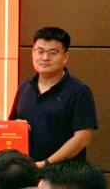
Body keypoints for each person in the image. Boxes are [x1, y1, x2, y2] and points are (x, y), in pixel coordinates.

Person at [9, 26, 97, 168]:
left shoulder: (79, 91)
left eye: (52, 53)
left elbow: (82, 138)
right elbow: (12, 123)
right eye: (40, 52)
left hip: (63, 174)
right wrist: (16, 127)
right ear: (33, 53)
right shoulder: (25, 86)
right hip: (27, 172)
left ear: (65, 57)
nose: (45, 58)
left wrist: (46, 163)